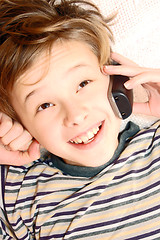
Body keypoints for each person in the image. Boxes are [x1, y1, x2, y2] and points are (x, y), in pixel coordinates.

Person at [0, 0, 160, 239]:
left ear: (116, 79)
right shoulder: (19, 193)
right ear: (21, 122)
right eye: (45, 105)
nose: (75, 115)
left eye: (83, 84)